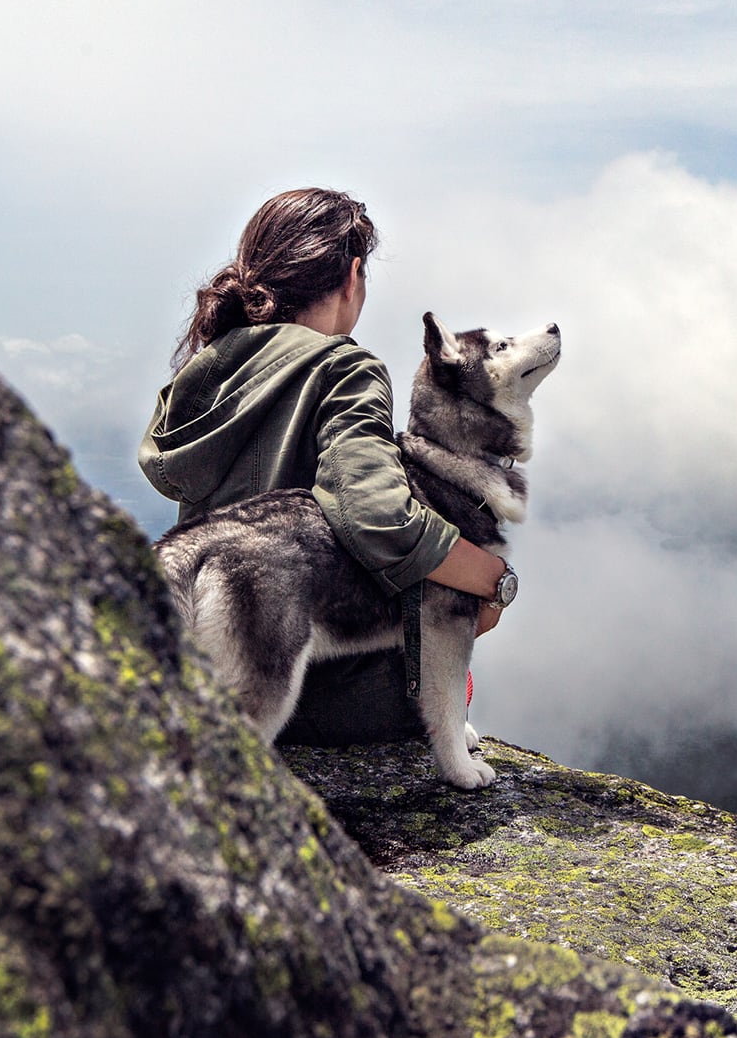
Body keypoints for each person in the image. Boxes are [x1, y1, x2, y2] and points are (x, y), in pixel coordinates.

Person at [138, 188, 511, 744]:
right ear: (353, 274)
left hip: (207, 673)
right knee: (453, 671)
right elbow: (377, 512)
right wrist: (491, 579)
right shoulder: (344, 368)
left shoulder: (206, 371)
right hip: (312, 692)